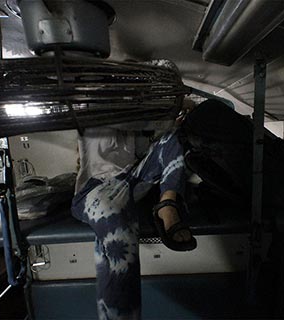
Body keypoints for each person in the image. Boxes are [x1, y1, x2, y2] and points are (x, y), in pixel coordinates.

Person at [71, 103, 197, 319]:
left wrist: (170, 125)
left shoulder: (138, 115)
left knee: (174, 138)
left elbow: (147, 147)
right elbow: (128, 117)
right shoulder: (92, 103)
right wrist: (174, 107)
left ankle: (167, 204)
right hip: (97, 186)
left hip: (131, 178)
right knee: (119, 238)